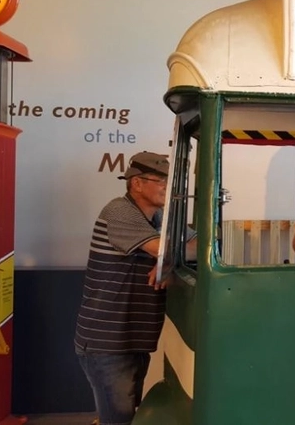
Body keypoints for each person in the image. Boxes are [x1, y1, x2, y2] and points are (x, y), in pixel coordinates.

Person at [74, 151, 197, 425]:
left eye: (169, 181)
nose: (167, 187)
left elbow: (199, 246)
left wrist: (167, 264)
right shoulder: (119, 211)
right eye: (159, 180)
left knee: (129, 415)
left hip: (132, 339)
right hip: (108, 342)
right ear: (136, 183)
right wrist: (167, 258)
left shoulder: (161, 217)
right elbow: (161, 249)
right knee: (118, 419)